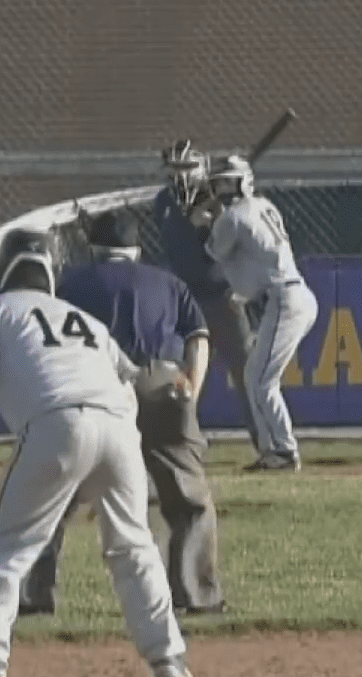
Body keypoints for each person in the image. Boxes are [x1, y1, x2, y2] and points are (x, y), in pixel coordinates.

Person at [0, 228, 192, 677]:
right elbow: (132, 381)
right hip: (120, 427)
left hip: (57, 424)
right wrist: (111, 468)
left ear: (4, 270)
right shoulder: (84, 320)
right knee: (133, 547)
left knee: (5, 547)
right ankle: (168, 660)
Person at [20, 211, 227, 617]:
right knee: (188, 500)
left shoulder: (69, 283)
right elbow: (199, 341)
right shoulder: (170, 283)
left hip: (94, 384)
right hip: (162, 383)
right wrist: (190, 397)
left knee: (52, 495)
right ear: (136, 249)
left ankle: (33, 595)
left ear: (95, 248)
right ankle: (196, 595)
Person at [193, 155, 319, 470]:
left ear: (240, 182)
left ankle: (282, 451)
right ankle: (274, 450)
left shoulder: (231, 218)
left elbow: (212, 252)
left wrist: (201, 222)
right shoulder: (264, 205)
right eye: (218, 182)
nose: (221, 187)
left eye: (226, 181)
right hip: (292, 294)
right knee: (256, 377)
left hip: (284, 298)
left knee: (260, 380)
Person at [150, 139, 263, 453]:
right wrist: (193, 217)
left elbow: (231, 244)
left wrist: (214, 219)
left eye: (186, 168)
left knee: (246, 371)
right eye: (175, 169)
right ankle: (180, 439)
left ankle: (266, 442)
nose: (180, 175)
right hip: (185, 300)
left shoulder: (222, 203)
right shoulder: (164, 201)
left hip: (222, 296)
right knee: (181, 375)